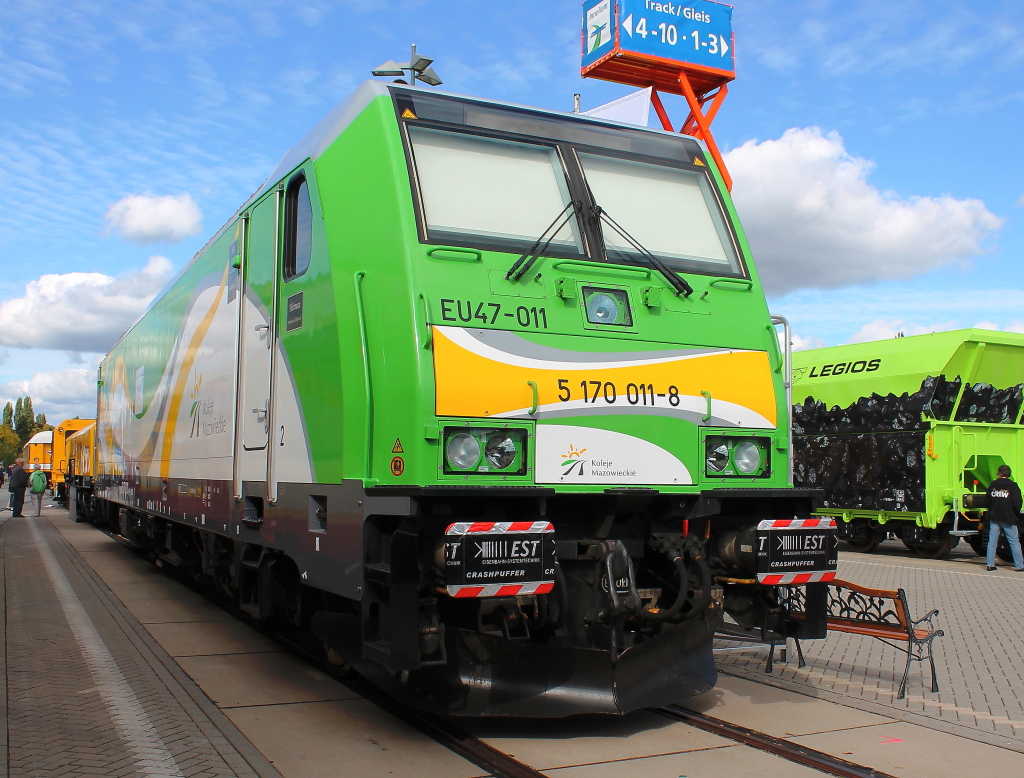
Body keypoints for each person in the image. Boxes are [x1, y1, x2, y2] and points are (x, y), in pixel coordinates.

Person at [986, 464, 1024, 572]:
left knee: (992, 541)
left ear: (999, 474)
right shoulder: (1012, 486)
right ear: (1008, 474)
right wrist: (1014, 513)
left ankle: (990, 564)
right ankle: (1019, 565)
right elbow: (1017, 503)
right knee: (1014, 542)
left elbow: (987, 500)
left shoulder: (993, 485)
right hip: (1008, 518)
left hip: (994, 518)